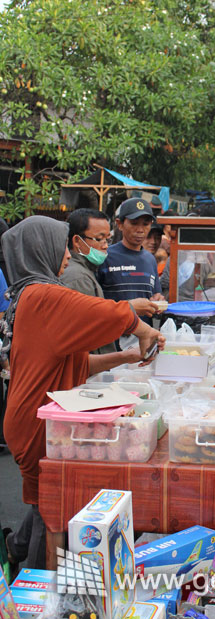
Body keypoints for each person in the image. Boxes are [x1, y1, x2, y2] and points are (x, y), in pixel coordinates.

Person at [2, 216, 164, 569]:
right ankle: (40, 587)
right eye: (60, 247)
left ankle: (19, 554)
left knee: (46, 503)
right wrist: (141, 328)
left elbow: (76, 364)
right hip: (37, 421)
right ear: (39, 250)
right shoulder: (42, 296)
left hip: (37, 415)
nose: (66, 254)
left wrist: (127, 357)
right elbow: (105, 313)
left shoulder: (32, 295)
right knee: (52, 511)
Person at [61, 209, 159, 357]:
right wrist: (129, 308)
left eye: (107, 239)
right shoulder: (77, 277)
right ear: (77, 241)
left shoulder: (88, 270)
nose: (105, 245)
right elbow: (92, 320)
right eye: (99, 239)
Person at [98, 198, 164, 329]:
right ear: (120, 224)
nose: (140, 230)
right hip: (112, 334)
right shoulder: (105, 257)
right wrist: (128, 307)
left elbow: (155, 295)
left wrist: (158, 301)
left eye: (146, 224)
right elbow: (93, 304)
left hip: (144, 336)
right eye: (134, 223)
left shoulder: (150, 260)